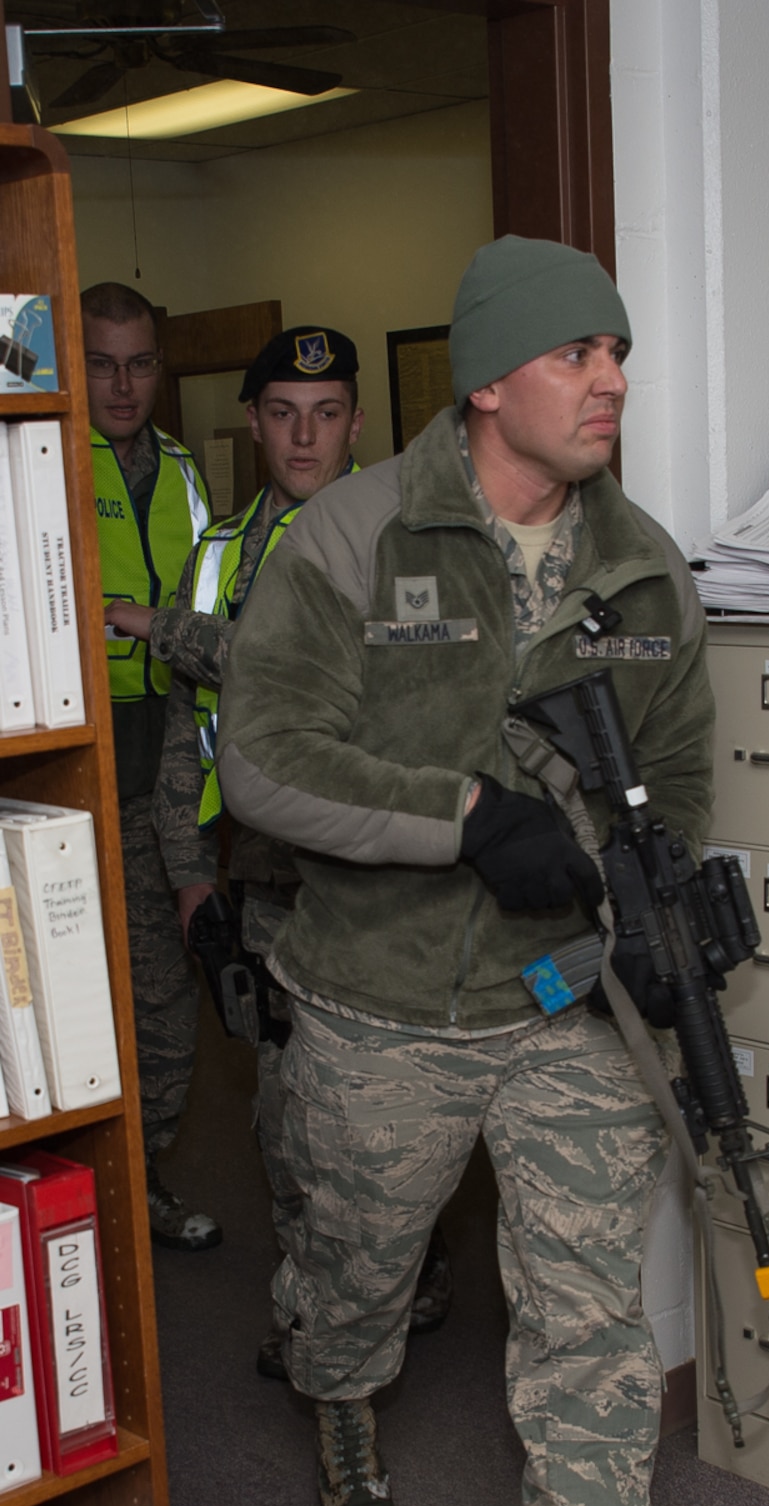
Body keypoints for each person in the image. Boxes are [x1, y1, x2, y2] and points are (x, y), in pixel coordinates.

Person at [217, 235, 769, 1506]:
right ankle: (342, 1413)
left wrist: (650, 912)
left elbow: (673, 778)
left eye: (618, 357)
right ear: (485, 384)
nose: (609, 382)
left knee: (588, 1299)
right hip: (376, 1000)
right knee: (354, 1264)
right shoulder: (349, 539)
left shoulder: (640, 566)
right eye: (574, 357)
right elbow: (263, 762)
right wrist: (464, 820)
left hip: (562, 1005)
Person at [150, 325, 454, 1373]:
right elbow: (190, 743)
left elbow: (380, 692)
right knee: (286, 1116)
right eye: (282, 412)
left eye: (326, 414)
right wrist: (193, 880)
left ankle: (400, 1276)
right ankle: (319, 1321)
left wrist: (170, 629)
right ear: (252, 423)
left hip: (377, 886)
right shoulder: (221, 554)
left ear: (358, 423)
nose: (303, 434)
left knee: (396, 1112)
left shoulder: (411, 540)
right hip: (263, 880)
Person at [82, 280, 218, 1252]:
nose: (122, 384)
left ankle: (141, 1178)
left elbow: (210, 619)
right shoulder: (37, 456)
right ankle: (74, 1198)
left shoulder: (180, 472)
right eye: (100, 361)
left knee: (167, 1000)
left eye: (138, 362)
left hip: (164, 762)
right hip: (65, 766)